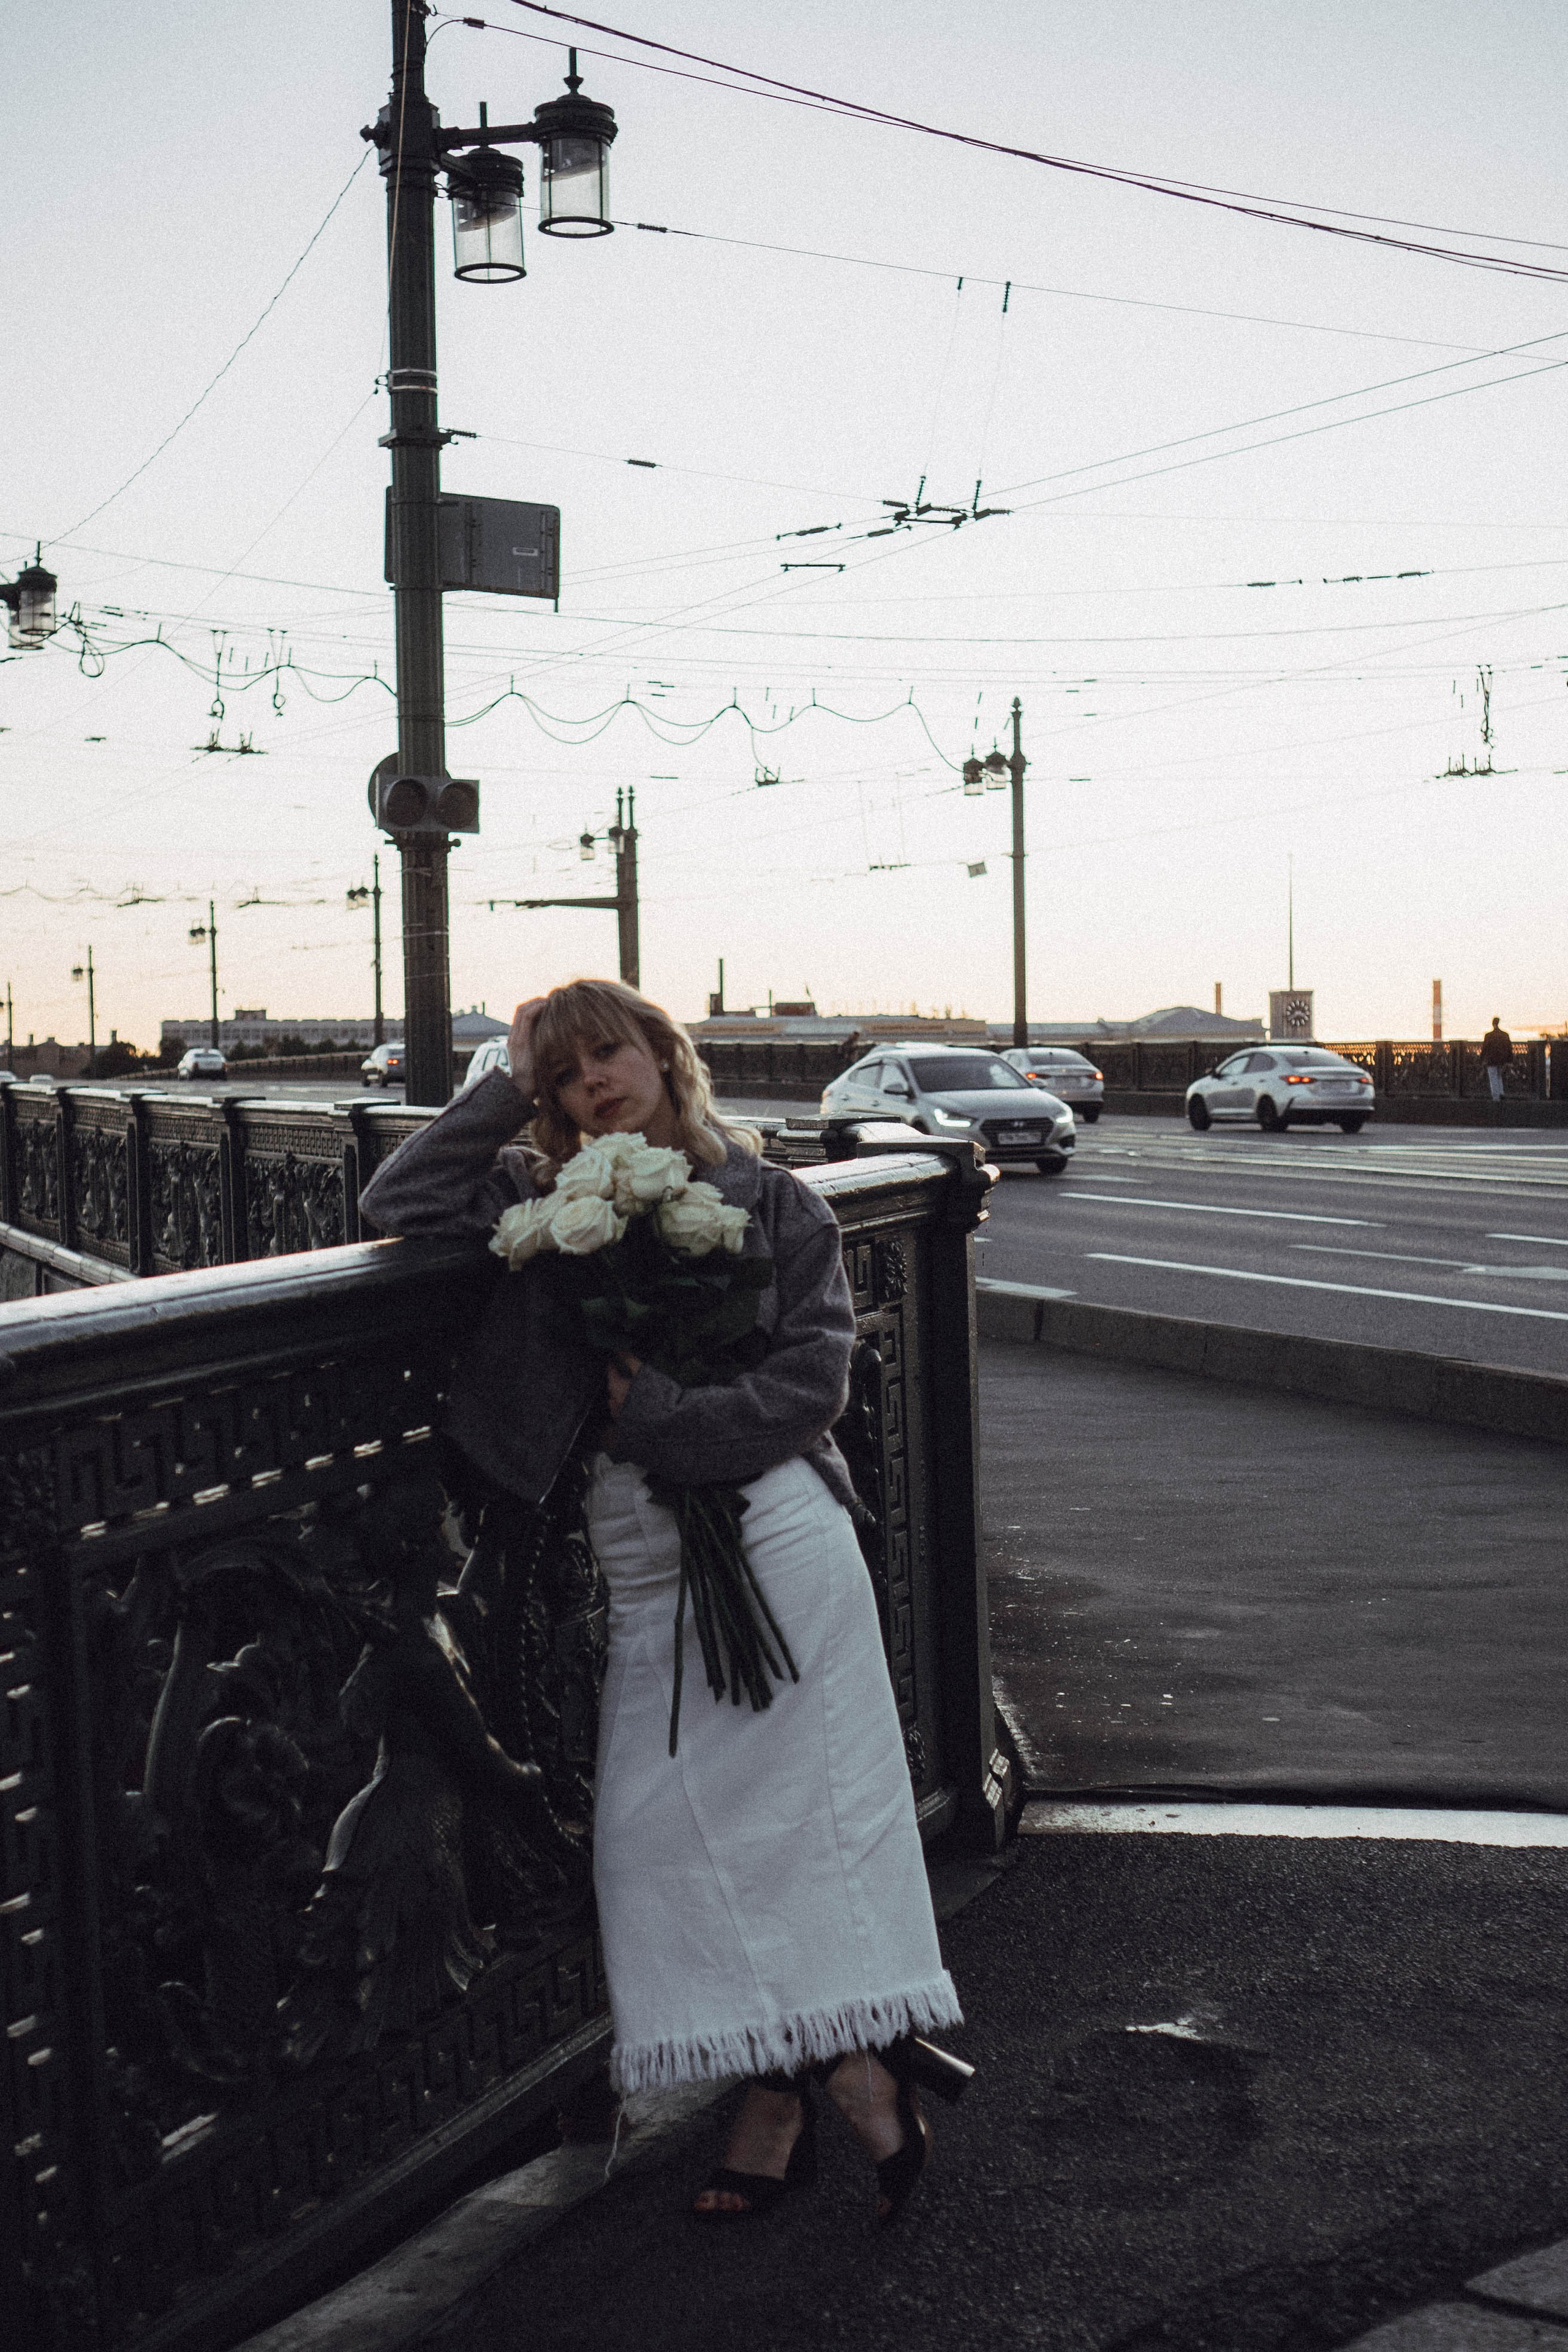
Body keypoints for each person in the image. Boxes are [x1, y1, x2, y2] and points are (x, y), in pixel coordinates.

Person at [358, 978, 964, 2225]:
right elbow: (396, 1200)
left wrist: (672, 1423)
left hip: (777, 1540)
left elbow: (813, 1379)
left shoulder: (767, 1197)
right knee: (656, 1843)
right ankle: (843, 2071)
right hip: (640, 1560)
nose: (593, 1082)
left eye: (607, 1054)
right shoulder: (536, 1204)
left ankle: (791, 2101)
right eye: (566, 1073)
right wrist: (501, 1081)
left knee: (796, 1832)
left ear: (660, 1054)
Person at [1481, 1015, 1513, 1102]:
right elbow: (1510, 1048)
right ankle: (1501, 1092)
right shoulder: (1505, 1035)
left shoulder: (1488, 1036)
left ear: (1493, 1024)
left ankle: (1496, 1096)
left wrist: (1481, 1060)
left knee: (1493, 1077)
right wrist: (1510, 1061)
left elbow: (1484, 1049)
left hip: (1491, 1060)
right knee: (1499, 1076)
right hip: (1502, 1060)